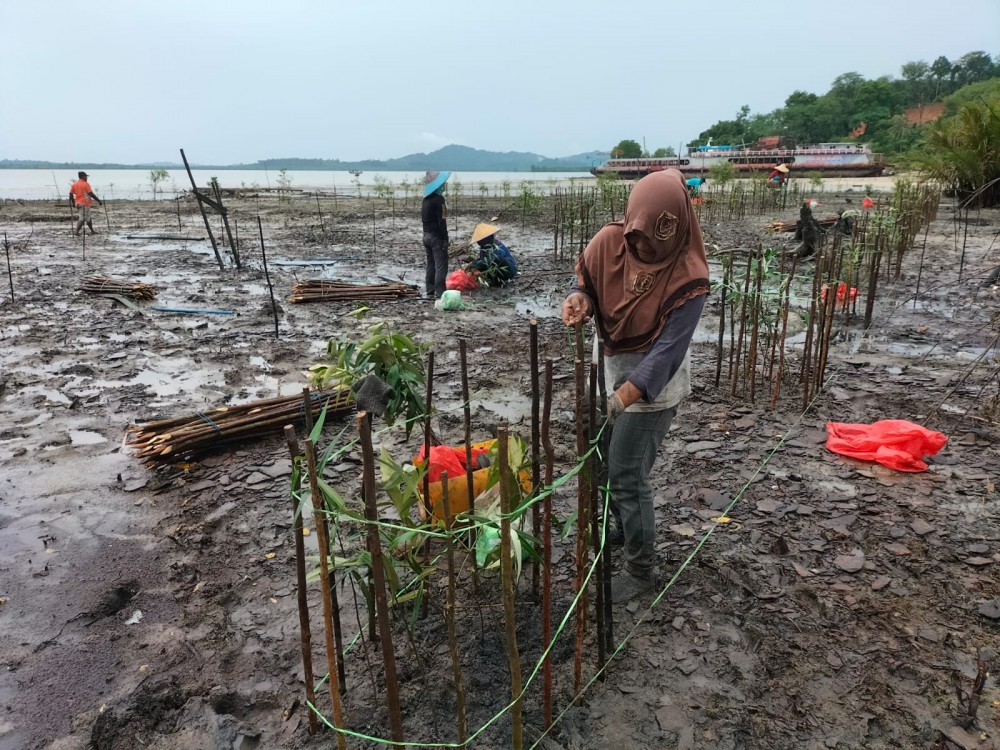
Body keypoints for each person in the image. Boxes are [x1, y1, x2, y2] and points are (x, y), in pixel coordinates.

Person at [561, 169, 710, 604]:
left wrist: (625, 397)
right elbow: (585, 285)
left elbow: (667, 352)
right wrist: (580, 301)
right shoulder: (608, 242)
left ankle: (642, 569)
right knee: (606, 465)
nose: (641, 246)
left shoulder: (689, 275)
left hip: (654, 386)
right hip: (610, 367)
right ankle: (623, 531)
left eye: (652, 239)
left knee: (627, 470)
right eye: (636, 235)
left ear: (675, 226)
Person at [421, 170, 451, 299]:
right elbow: (442, 221)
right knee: (441, 265)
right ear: (438, 185)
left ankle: (430, 290)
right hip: (436, 238)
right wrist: (445, 239)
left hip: (426, 236)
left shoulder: (425, 200)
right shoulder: (440, 200)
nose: (444, 186)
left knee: (431, 264)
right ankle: (440, 293)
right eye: (443, 184)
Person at [69, 171, 103, 236]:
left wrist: (73, 203)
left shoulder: (74, 184)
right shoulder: (85, 184)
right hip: (84, 204)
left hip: (79, 203)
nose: (87, 178)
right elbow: (90, 193)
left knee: (88, 218)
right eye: (86, 176)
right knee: (82, 218)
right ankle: (76, 231)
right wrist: (98, 200)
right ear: (82, 177)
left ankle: (92, 231)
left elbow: (70, 194)